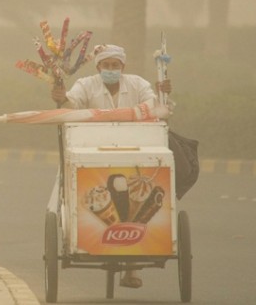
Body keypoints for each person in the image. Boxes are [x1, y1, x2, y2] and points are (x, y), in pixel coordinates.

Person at [49, 43, 171, 289]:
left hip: (134, 152)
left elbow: (155, 107)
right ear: (99, 67)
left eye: (115, 65)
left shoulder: (138, 84)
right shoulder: (86, 85)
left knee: (138, 206)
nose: (111, 69)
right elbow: (71, 106)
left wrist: (162, 94)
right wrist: (62, 99)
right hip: (92, 151)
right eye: (106, 65)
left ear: (122, 67)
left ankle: (132, 268)